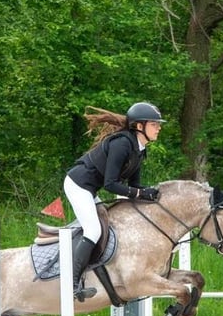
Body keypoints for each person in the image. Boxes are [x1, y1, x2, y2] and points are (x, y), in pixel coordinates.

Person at [64, 101, 167, 301]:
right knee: (93, 230)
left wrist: (148, 193)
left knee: (107, 224)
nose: (159, 127)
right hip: (78, 185)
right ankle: (72, 284)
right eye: (154, 124)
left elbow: (134, 185)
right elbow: (111, 184)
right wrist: (140, 194)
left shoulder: (139, 149)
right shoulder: (122, 144)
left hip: (91, 188)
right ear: (139, 126)